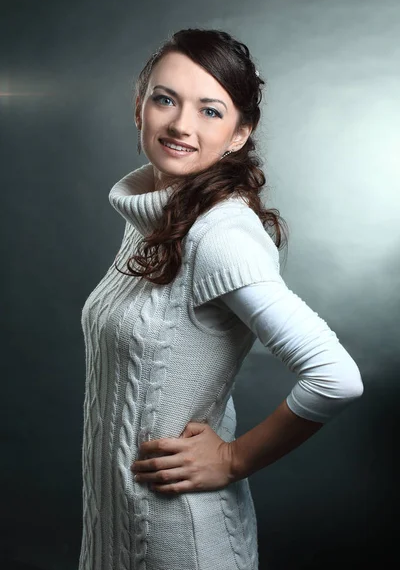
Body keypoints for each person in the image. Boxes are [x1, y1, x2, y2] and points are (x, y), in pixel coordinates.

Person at [78, 28, 364, 570]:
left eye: (210, 110)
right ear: (139, 109)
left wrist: (232, 458)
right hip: (118, 537)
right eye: (166, 99)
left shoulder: (220, 235)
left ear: (239, 133)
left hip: (180, 544)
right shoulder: (157, 211)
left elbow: (336, 375)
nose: (182, 125)